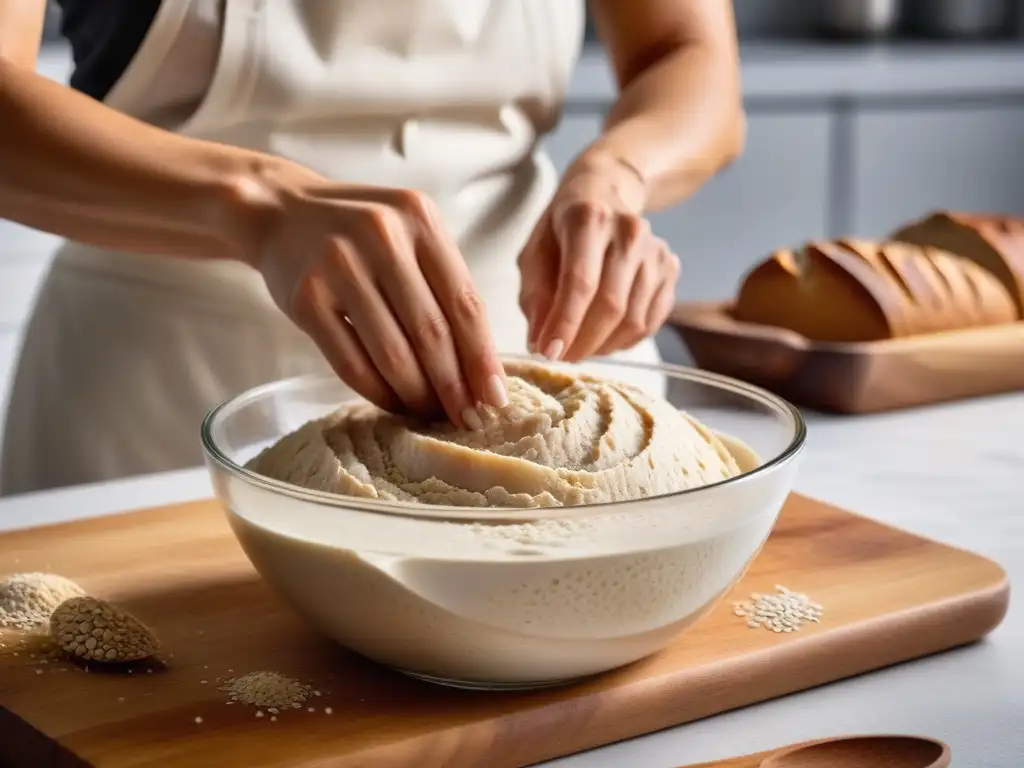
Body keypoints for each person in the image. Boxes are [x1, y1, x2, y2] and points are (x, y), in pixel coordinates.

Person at [0, 0, 745, 496]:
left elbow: (686, 51)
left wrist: (618, 175)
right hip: (158, 412)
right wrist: (258, 204)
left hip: (530, 365)